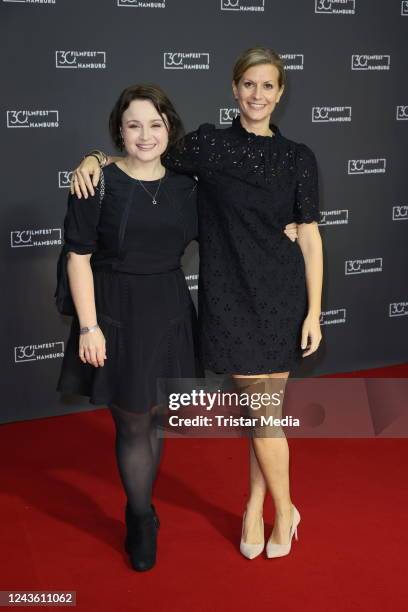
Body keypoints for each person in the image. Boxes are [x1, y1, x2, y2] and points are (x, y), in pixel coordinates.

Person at [70, 46, 323, 560]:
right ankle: (285, 507)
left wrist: (315, 309)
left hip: (280, 291)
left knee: (263, 414)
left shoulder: (299, 156)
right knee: (263, 415)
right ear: (234, 89)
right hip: (229, 295)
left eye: (268, 85)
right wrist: (93, 156)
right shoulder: (206, 146)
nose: (257, 94)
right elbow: (144, 156)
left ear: (281, 93)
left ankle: (261, 507)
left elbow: (312, 235)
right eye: (248, 84)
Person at [55, 83, 202, 572]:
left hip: (169, 309)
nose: (145, 135)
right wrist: (89, 328)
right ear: (120, 128)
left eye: (155, 124)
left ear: (169, 128)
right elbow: (78, 257)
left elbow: (234, 220)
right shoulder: (95, 182)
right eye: (134, 124)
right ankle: (140, 516)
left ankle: (143, 508)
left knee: (155, 413)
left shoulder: (187, 184)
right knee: (133, 420)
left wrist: (285, 228)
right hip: (115, 310)